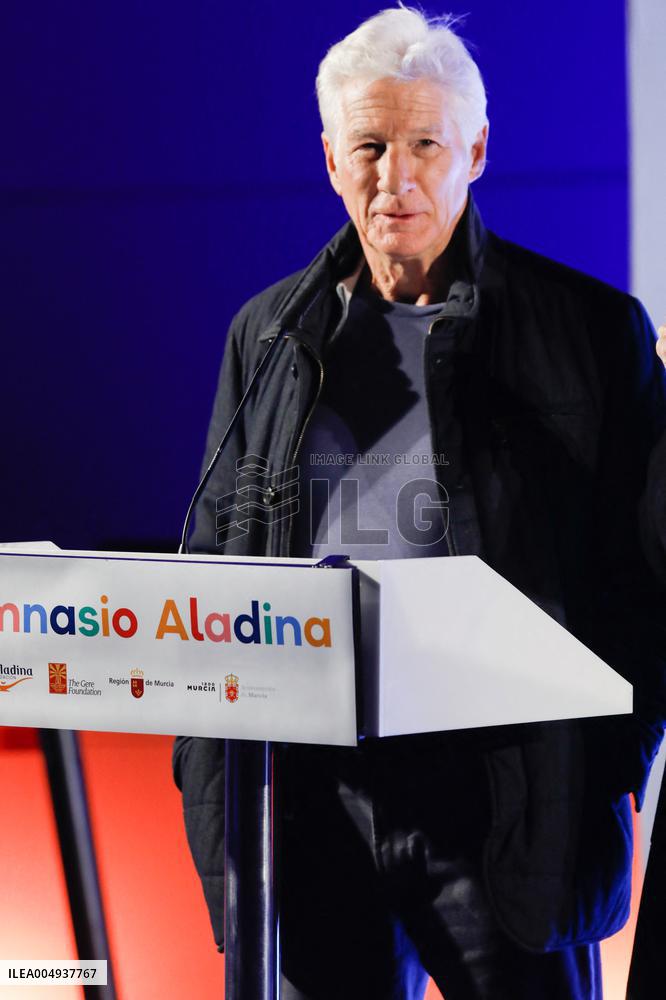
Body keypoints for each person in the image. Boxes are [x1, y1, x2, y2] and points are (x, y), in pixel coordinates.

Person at [173, 8, 666, 999]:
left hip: (504, 803)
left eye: (425, 144)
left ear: (476, 151)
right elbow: (217, 560)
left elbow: (644, 581)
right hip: (313, 803)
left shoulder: (592, 332)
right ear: (328, 158)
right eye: (367, 145)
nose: (394, 177)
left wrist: (596, 767)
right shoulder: (266, 334)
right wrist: (209, 774)